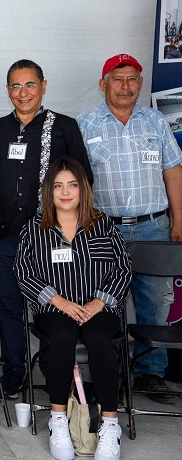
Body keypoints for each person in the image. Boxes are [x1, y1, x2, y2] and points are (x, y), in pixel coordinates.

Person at [0, 59, 93, 398]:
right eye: (16, 86)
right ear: (7, 90)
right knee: (9, 305)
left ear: (43, 87)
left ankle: (53, 368)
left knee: (51, 304)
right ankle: (14, 370)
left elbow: (83, 181)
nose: (23, 92)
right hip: (5, 234)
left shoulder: (64, 127)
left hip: (51, 237)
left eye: (30, 84)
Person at [77, 53, 182, 403]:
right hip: (104, 231)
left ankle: (149, 373)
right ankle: (112, 371)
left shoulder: (156, 121)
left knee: (155, 304)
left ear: (140, 83)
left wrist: (179, 220)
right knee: (106, 305)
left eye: (132, 79)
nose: (125, 86)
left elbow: (173, 171)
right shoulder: (85, 124)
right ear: (103, 84)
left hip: (153, 228)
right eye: (117, 79)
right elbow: (75, 182)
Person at [14, 158, 131, 460]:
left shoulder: (103, 224)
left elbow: (123, 268)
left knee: (99, 340)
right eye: (58, 186)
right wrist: (60, 301)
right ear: (48, 191)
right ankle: (58, 419)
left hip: (98, 308)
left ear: (83, 189)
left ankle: (110, 424)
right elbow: (23, 273)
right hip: (54, 309)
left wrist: (98, 302)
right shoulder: (34, 228)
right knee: (63, 337)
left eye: (72, 185)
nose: (65, 192)